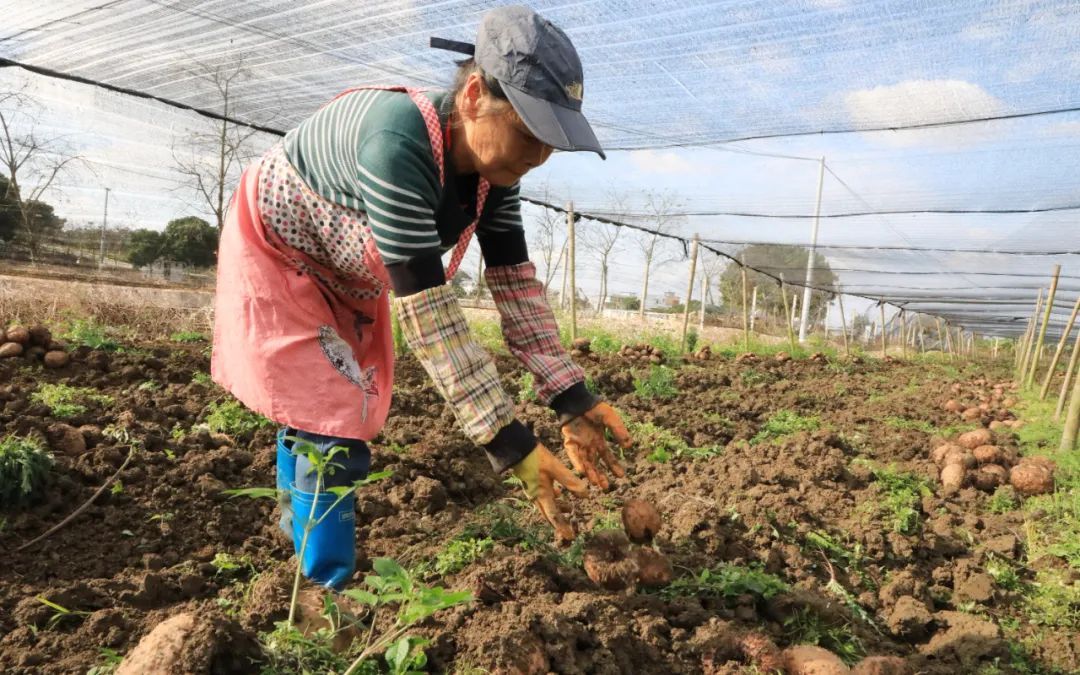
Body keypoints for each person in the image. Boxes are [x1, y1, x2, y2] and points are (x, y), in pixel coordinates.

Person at [211, 5, 633, 591]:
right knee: (334, 418)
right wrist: (511, 443)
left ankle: (299, 534)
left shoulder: (494, 178)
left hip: (348, 271)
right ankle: (320, 592)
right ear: (475, 95)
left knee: (331, 405)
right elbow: (432, 318)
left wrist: (570, 397)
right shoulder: (398, 140)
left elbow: (515, 287)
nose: (539, 157)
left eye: (552, 142)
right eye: (530, 133)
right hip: (284, 248)